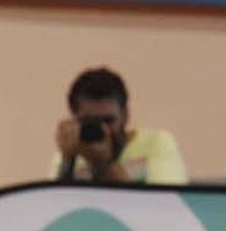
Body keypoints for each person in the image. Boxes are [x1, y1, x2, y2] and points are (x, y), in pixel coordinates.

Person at [51, 67, 188, 184]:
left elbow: (164, 206)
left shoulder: (157, 143)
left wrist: (102, 164)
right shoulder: (71, 150)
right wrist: (67, 162)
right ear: (74, 119)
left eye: (108, 121)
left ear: (125, 115)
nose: (103, 129)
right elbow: (56, 209)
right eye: (90, 122)